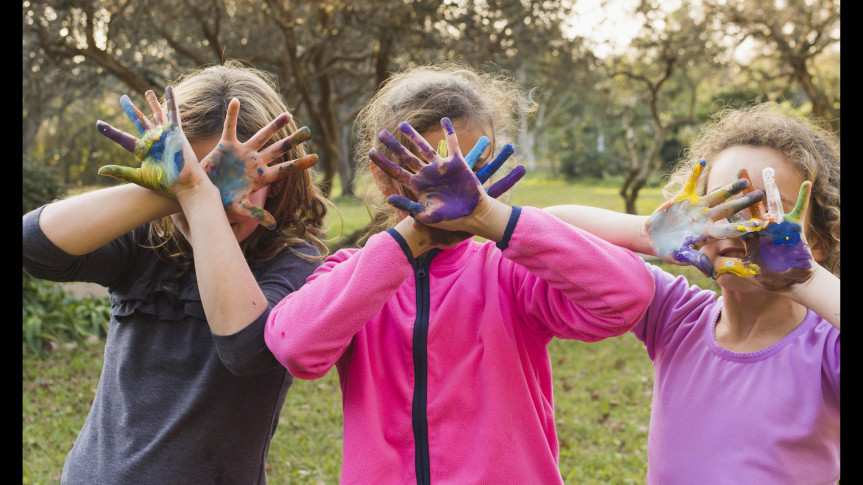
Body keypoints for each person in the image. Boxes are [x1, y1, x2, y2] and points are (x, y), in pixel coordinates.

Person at [263, 64, 656, 484]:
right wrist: (412, 235)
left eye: (473, 167)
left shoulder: (509, 273)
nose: (457, 186)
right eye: (431, 166)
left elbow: (628, 295)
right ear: (382, 175)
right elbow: (294, 348)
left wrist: (495, 218)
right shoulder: (354, 278)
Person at [22, 61, 331, 484]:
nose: (218, 201)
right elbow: (34, 248)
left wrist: (195, 196)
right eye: (202, 175)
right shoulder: (146, 243)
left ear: (279, 179)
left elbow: (246, 350)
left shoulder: (296, 261)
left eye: (237, 179)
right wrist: (179, 192)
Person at [544, 102, 840, 484]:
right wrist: (645, 233)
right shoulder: (675, 313)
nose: (738, 226)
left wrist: (807, 279)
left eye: (768, 209)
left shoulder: (825, 348)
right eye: (722, 204)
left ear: (817, 240)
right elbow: (547, 230)